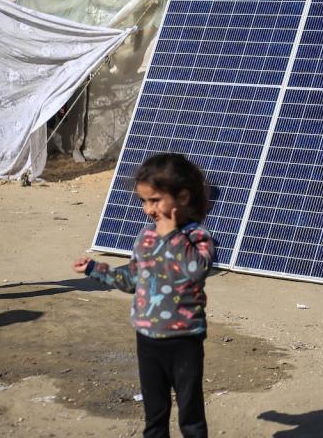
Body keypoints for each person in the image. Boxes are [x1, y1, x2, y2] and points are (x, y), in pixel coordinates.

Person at [73, 153, 215, 438]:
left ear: (183, 197)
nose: (147, 209)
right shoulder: (145, 238)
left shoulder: (197, 238)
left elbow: (195, 271)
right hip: (148, 339)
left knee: (191, 416)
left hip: (184, 338)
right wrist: (96, 269)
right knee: (155, 415)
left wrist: (171, 233)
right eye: (143, 201)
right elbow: (132, 280)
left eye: (155, 201)